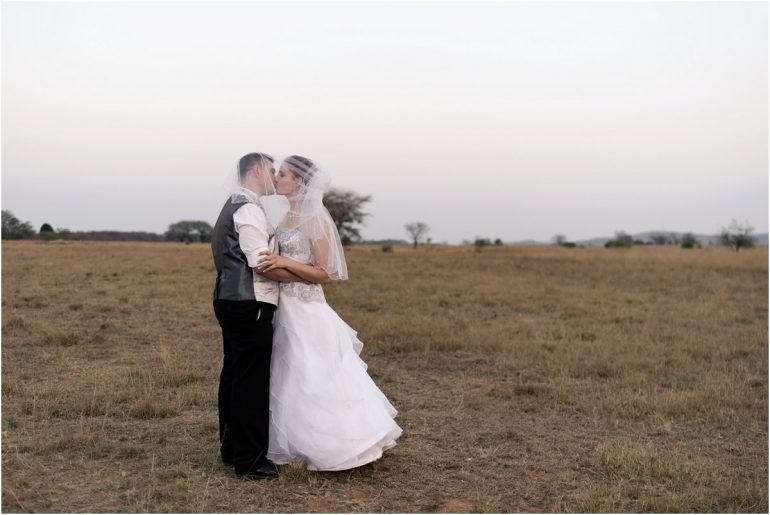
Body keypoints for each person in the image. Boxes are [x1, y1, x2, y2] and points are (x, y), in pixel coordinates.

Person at [257, 155, 402, 471]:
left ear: (299, 182)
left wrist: (284, 262)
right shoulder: (285, 216)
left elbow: (324, 272)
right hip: (284, 306)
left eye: (282, 174)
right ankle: (296, 443)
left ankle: (337, 445)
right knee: (288, 376)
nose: (276, 178)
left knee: (312, 374)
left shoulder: (316, 220)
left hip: (307, 309)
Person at [210, 152, 303, 480]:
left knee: (235, 374)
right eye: (271, 169)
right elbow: (260, 261)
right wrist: (305, 277)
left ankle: (232, 449)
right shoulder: (247, 208)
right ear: (255, 171)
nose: (274, 176)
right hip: (250, 302)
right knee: (251, 380)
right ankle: (250, 460)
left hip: (230, 298)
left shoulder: (233, 204)